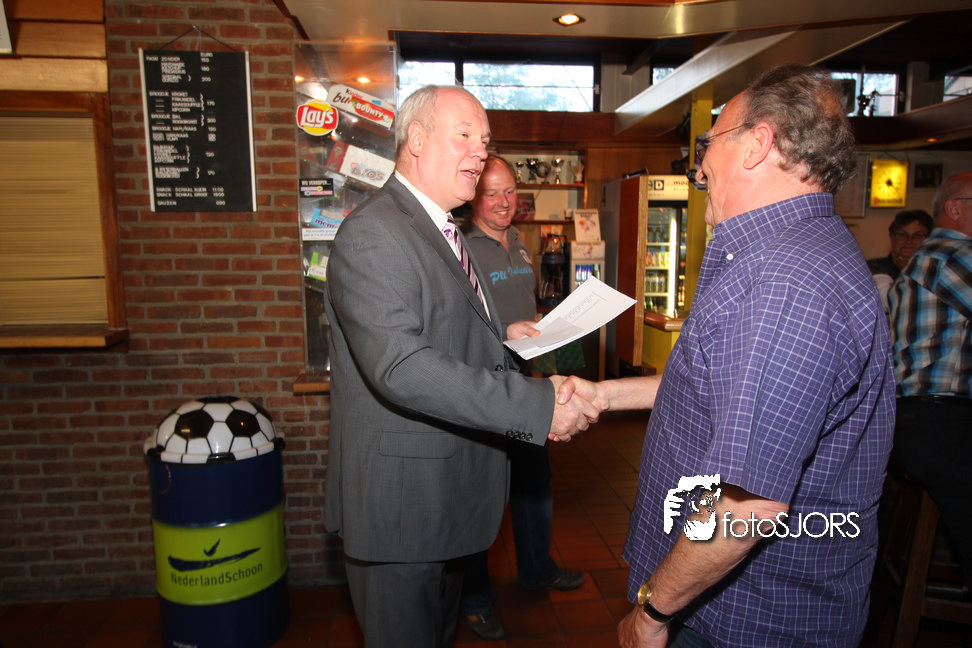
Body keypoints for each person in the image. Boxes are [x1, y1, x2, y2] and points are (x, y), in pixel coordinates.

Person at [558, 64, 896, 648]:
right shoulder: (789, 252)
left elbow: (746, 508)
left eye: (708, 143)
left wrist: (652, 613)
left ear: (758, 144)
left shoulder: (783, 283)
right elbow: (717, 385)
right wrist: (605, 394)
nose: (698, 167)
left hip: (742, 620)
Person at [323, 85, 596, 648]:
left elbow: (438, 326)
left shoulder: (443, 228)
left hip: (442, 504)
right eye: (465, 135)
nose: (481, 151)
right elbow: (401, 364)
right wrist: (538, 405)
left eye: (485, 140)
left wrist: (501, 334)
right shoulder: (375, 231)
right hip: (402, 512)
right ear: (416, 140)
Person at [458, 155, 585, 640]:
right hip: (483, 387)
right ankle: (475, 598)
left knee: (534, 482)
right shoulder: (459, 247)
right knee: (480, 496)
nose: (503, 202)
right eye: (491, 193)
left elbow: (522, 306)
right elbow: (456, 323)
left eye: (509, 191)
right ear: (474, 197)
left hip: (524, 379)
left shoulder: (519, 242)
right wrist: (501, 332)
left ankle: (537, 569)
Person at [888, 171, 972, 592]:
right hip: (940, 421)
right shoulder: (952, 254)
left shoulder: (926, 259)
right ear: (955, 208)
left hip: (916, 421)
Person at [866, 209, 933, 312]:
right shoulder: (874, 268)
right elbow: (892, 304)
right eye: (902, 234)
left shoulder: (935, 270)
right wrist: (907, 272)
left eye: (918, 235)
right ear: (891, 237)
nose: (909, 241)